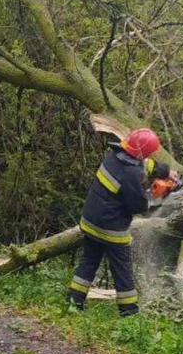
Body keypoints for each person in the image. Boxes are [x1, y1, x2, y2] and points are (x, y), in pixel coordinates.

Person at [67, 128, 176, 316]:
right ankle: (129, 312)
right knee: (122, 270)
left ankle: (73, 302)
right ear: (142, 152)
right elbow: (138, 204)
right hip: (111, 229)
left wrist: (166, 171)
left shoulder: (115, 156)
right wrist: (156, 199)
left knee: (89, 262)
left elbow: (146, 164)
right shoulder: (132, 174)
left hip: (91, 220)